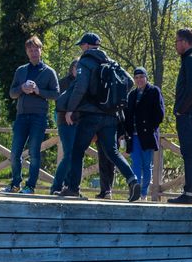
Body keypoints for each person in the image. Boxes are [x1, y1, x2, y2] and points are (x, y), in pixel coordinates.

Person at [59, 32, 139, 201]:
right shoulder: (112, 62)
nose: (81, 48)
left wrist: (70, 109)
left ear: (87, 46)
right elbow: (130, 82)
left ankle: (73, 188)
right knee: (112, 152)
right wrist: (112, 100)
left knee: (77, 150)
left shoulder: (85, 62)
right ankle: (132, 180)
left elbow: (80, 87)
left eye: (82, 45)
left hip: (90, 115)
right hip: (111, 116)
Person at [4, 36, 59, 194]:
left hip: (38, 118)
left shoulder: (49, 72)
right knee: (15, 153)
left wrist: (38, 91)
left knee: (34, 153)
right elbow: (12, 93)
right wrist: (22, 87)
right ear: (27, 52)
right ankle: (15, 184)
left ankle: (30, 186)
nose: (34, 53)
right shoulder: (21, 71)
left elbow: (56, 94)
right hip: (21, 117)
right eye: (30, 50)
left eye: (36, 49)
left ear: (41, 51)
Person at [169, 27, 192, 204]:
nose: (176, 45)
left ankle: (189, 193)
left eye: (177, 41)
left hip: (190, 113)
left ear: (184, 42)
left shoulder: (190, 60)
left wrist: (180, 109)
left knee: (190, 153)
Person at [124, 66, 164, 200]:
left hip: (147, 134)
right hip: (133, 135)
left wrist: (151, 127)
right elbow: (127, 115)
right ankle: (135, 191)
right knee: (135, 164)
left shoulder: (154, 91)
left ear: (146, 78)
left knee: (147, 165)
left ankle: (143, 193)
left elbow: (160, 113)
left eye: (141, 77)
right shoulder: (132, 95)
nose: (139, 80)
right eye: (136, 77)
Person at [51, 58, 79, 195]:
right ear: (71, 68)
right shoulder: (63, 83)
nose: (78, 69)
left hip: (78, 123)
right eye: (75, 66)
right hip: (64, 122)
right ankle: (56, 185)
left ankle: (69, 186)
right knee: (68, 154)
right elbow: (58, 103)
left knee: (75, 155)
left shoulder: (84, 83)